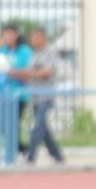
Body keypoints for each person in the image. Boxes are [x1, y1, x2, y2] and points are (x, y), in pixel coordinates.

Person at [21, 26, 65, 164]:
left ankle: (31, 155)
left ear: (42, 37)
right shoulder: (35, 54)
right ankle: (57, 154)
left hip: (46, 96)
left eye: (34, 37)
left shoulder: (50, 52)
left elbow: (47, 71)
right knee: (44, 129)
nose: (32, 40)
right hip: (35, 96)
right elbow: (30, 71)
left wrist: (32, 72)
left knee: (38, 126)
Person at [0, 21, 32, 158]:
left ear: (17, 35)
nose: (7, 37)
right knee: (2, 127)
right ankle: (23, 149)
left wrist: (12, 70)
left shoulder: (24, 50)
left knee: (13, 125)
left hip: (18, 94)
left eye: (10, 34)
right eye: (5, 34)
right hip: (3, 93)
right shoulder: (1, 50)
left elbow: (23, 68)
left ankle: (11, 155)